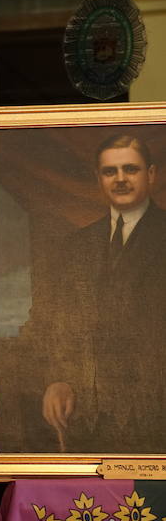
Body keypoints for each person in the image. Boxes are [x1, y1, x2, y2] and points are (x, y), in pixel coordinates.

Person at [41, 134, 166, 453]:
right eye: (111, 172)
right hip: (86, 415)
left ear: (150, 174)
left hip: (157, 414)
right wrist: (57, 379)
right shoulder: (76, 246)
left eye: (130, 169)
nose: (120, 179)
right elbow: (53, 320)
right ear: (99, 178)